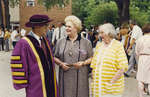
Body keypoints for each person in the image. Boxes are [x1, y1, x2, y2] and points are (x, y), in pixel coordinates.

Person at [10, 14, 59, 97]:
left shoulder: (45, 40)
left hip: (50, 82)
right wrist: (23, 81)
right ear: (37, 27)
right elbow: (17, 64)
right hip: (36, 85)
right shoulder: (24, 43)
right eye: (45, 25)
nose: (48, 28)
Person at [54, 15, 93, 97]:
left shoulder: (86, 43)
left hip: (81, 76)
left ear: (76, 28)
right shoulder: (60, 42)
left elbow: (92, 58)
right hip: (65, 76)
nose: (66, 28)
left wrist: (83, 63)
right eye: (66, 26)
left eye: (69, 26)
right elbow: (54, 57)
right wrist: (61, 64)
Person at [90, 23, 128, 97]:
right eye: (99, 33)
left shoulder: (118, 45)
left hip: (111, 89)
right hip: (97, 87)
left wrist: (111, 82)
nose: (100, 35)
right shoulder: (99, 45)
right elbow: (94, 65)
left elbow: (122, 67)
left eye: (102, 33)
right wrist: (93, 81)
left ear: (109, 33)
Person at [135, 24, 150, 97]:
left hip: (141, 57)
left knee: (140, 77)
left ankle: (141, 95)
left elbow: (136, 51)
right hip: (149, 57)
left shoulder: (139, 39)